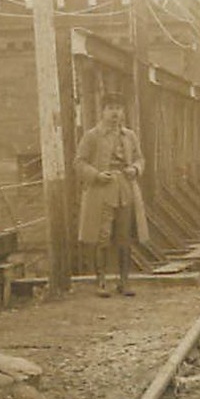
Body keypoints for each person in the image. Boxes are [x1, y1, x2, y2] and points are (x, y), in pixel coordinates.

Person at [75, 91, 150, 297]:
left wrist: (135, 169)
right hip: (102, 191)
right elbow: (79, 162)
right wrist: (97, 175)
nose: (115, 113)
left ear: (123, 112)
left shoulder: (130, 136)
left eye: (118, 108)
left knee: (124, 236)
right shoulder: (92, 136)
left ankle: (124, 282)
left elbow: (140, 159)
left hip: (125, 189)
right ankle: (101, 282)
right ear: (102, 111)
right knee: (103, 236)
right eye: (110, 108)